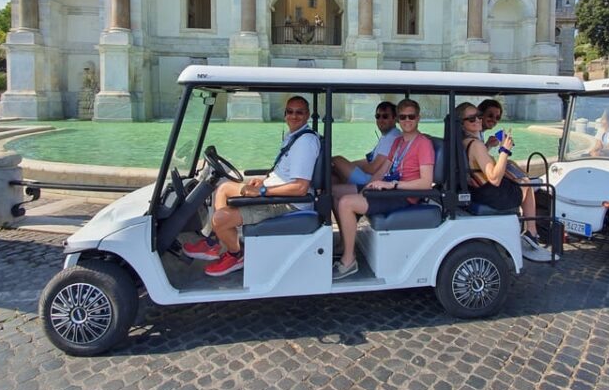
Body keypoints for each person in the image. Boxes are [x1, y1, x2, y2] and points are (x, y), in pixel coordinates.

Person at [183, 96, 321, 277]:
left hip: (289, 203)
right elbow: (285, 174)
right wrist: (263, 181)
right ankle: (218, 242)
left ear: (307, 115)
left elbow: (300, 188)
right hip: (276, 194)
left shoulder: (305, 143)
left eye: (299, 112)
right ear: (285, 114)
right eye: (290, 112)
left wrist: (262, 190)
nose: (293, 116)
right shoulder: (294, 137)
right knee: (224, 188)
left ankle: (235, 255)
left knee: (220, 219)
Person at [333, 99, 434, 280]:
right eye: (403, 117)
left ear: (418, 118)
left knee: (346, 203)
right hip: (389, 189)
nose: (407, 120)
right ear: (398, 119)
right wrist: (368, 187)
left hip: (404, 195)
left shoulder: (423, 144)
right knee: (335, 192)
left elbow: (426, 183)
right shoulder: (398, 142)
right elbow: (382, 170)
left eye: (411, 116)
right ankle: (345, 241)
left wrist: (393, 185)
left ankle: (349, 260)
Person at [457, 102, 549, 261]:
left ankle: (529, 232)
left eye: (478, 116)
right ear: (462, 123)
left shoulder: (464, 141)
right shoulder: (476, 144)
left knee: (519, 179)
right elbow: (494, 179)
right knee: (526, 183)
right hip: (492, 195)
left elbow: (479, 164)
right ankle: (532, 232)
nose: (478, 120)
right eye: (472, 119)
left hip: (478, 191)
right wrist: (504, 150)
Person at [331, 101, 401, 190]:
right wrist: (349, 165)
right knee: (335, 174)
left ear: (394, 118)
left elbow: (372, 169)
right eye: (378, 116)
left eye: (385, 116)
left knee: (337, 160)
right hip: (372, 177)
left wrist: (351, 166)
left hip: (372, 180)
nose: (380, 120)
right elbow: (370, 160)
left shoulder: (391, 138)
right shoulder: (389, 135)